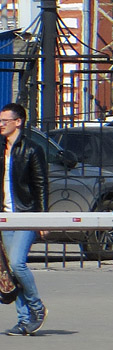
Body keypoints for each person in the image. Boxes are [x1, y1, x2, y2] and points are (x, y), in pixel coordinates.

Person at [1, 103, 49, 336]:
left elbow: (41, 185)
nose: (1, 125)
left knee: (18, 263)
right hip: (4, 217)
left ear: (18, 121)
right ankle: (23, 320)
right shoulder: (0, 149)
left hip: (26, 214)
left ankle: (36, 308)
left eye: (5, 121)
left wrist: (41, 220)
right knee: (10, 270)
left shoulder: (32, 149)